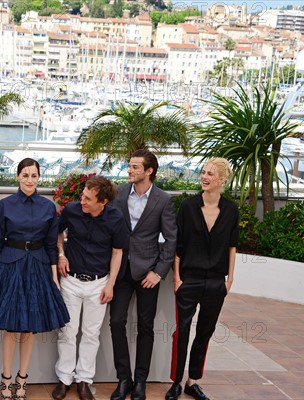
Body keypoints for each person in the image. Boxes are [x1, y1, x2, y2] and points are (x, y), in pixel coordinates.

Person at [0, 158, 70, 400]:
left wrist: (54, 277)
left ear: (39, 178)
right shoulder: (5, 205)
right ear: (18, 176)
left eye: (34, 175)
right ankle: (6, 378)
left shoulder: (48, 207)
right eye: (25, 175)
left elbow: (51, 244)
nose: (30, 179)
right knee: (10, 328)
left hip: (38, 267)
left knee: (29, 329)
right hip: (10, 267)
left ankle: (22, 378)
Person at [165, 158, 239, 400]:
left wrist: (229, 280)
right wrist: (177, 277)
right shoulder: (188, 207)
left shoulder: (230, 210)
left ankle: (192, 381)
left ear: (222, 180)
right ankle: (175, 381)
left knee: (205, 332)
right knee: (182, 332)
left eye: (210, 174)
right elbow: (178, 245)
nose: (204, 177)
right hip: (188, 280)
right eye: (204, 172)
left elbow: (232, 246)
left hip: (216, 282)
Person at [109, 149, 177, 400]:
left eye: (135, 167)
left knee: (146, 328)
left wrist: (159, 273)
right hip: (121, 269)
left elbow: (171, 239)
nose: (130, 170)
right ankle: (123, 379)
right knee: (116, 322)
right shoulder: (119, 192)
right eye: (129, 166)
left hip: (148, 272)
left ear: (149, 171)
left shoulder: (163, 200)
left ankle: (140, 381)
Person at [53, 176, 128, 400]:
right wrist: (61, 254)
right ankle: (64, 379)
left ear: (103, 202)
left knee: (91, 334)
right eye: (82, 195)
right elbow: (57, 232)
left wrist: (111, 284)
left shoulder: (115, 218)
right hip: (71, 281)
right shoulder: (72, 210)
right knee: (67, 332)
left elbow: (118, 252)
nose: (82, 201)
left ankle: (84, 380)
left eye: (88, 198)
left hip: (99, 284)